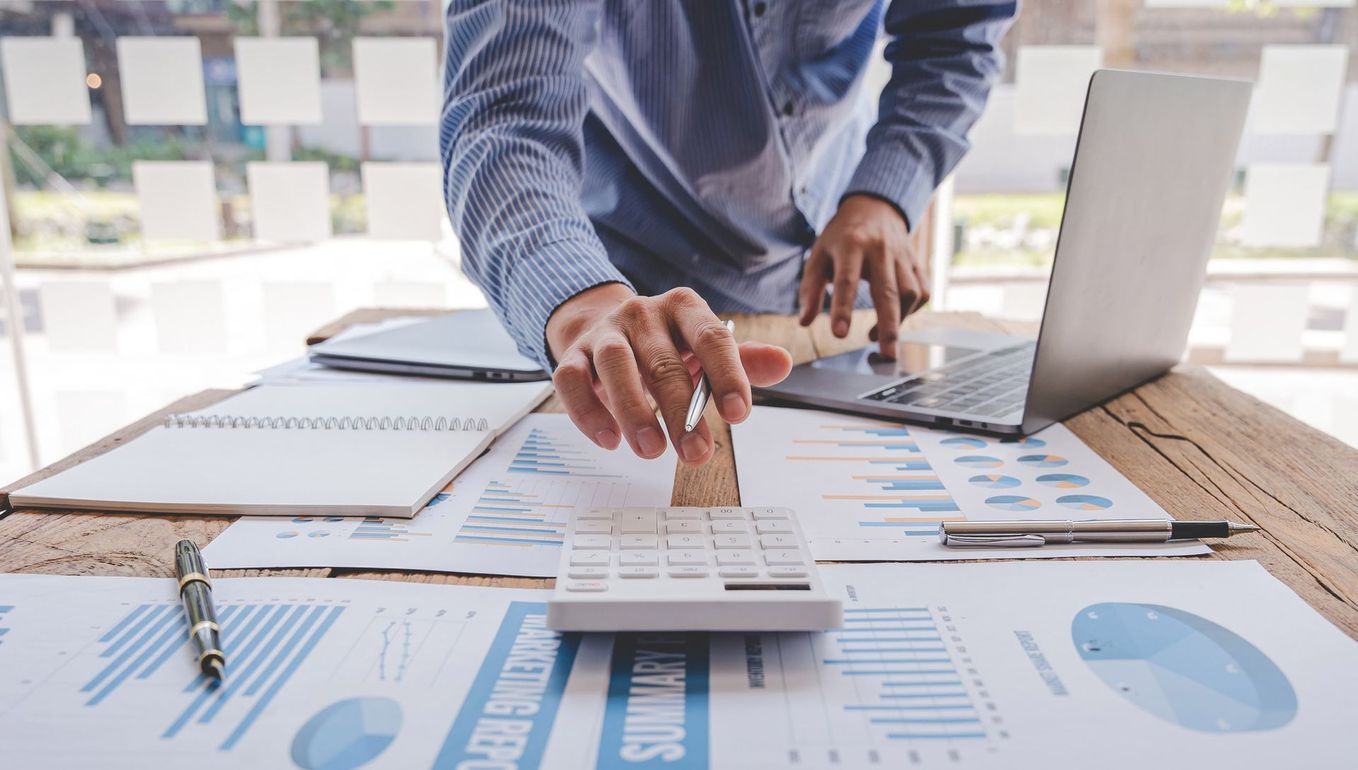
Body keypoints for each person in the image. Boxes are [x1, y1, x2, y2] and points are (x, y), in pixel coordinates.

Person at [440, 0, 1016, 465]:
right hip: (629, 295)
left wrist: (885, 192)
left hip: (843, 268)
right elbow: (504, 121)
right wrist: (579, 303)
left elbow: (956, 36)